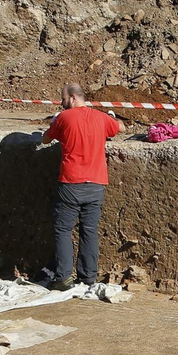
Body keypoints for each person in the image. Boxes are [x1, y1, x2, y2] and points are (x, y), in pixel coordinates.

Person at [39, 83, 120, 288]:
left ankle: (63, 277)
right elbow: (121, 128)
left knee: (63, 229)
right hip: (97, 183)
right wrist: (111, 118)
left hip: (72, 183)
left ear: (73, 98)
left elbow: (46, 139)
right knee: (89, 230)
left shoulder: (64, 118)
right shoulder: (101, 117)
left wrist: (56, 122)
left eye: (63, 99)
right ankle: (88, 277)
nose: (61, 103)